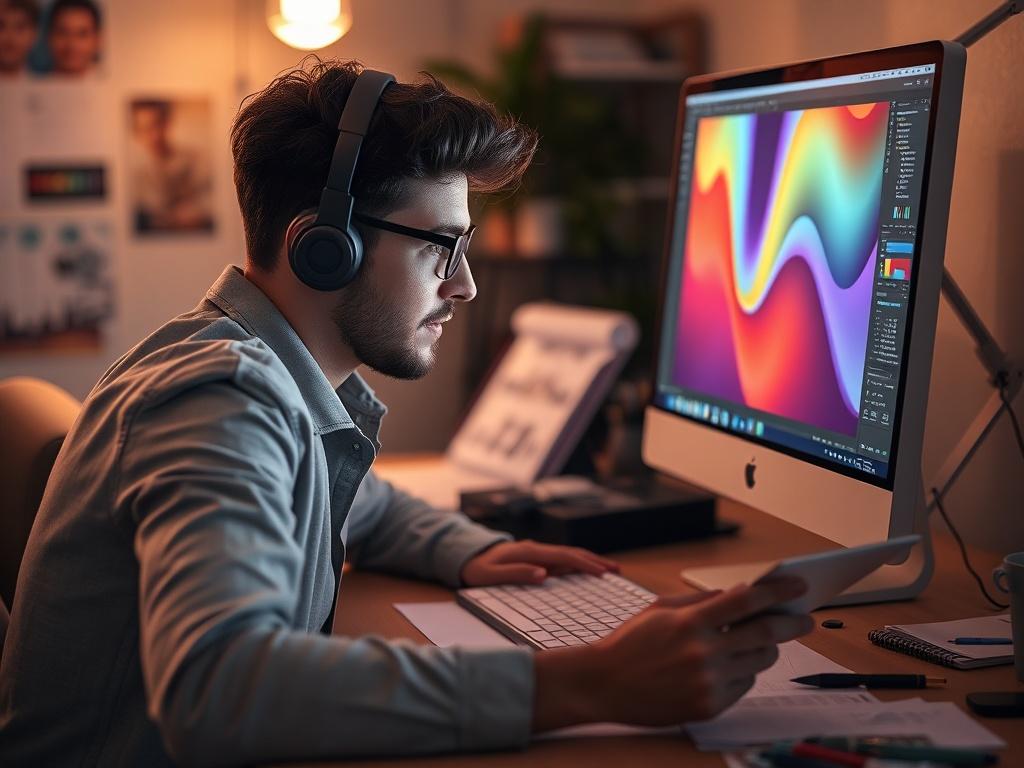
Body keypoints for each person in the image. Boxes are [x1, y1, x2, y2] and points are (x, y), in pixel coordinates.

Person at [0, 60, 813, 766]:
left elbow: (367, 504)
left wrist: (474, 551)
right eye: (439, 247)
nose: (464, 285)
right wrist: (588, 681)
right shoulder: (222, 402)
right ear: (323, 247)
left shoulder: (258, 378)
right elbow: (219, 686)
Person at [130, 99, 215, 233]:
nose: (154, 136)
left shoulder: (196, 160)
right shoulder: (136, 175)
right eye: (144, 129)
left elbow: (211, 205)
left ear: (167, 123)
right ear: (136, 133)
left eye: (157, 125)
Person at [45, 0, 100, 76]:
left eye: (82, 34)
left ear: (98, 40)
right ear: (49, 37)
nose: (72, 45)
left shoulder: (112, 81)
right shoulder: (35, 81)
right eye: (63, 33)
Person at [0, 0, 38, 76]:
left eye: (20, 27)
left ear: (34, 34)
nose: (10, 37)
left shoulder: (44, 82)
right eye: (1, 27)